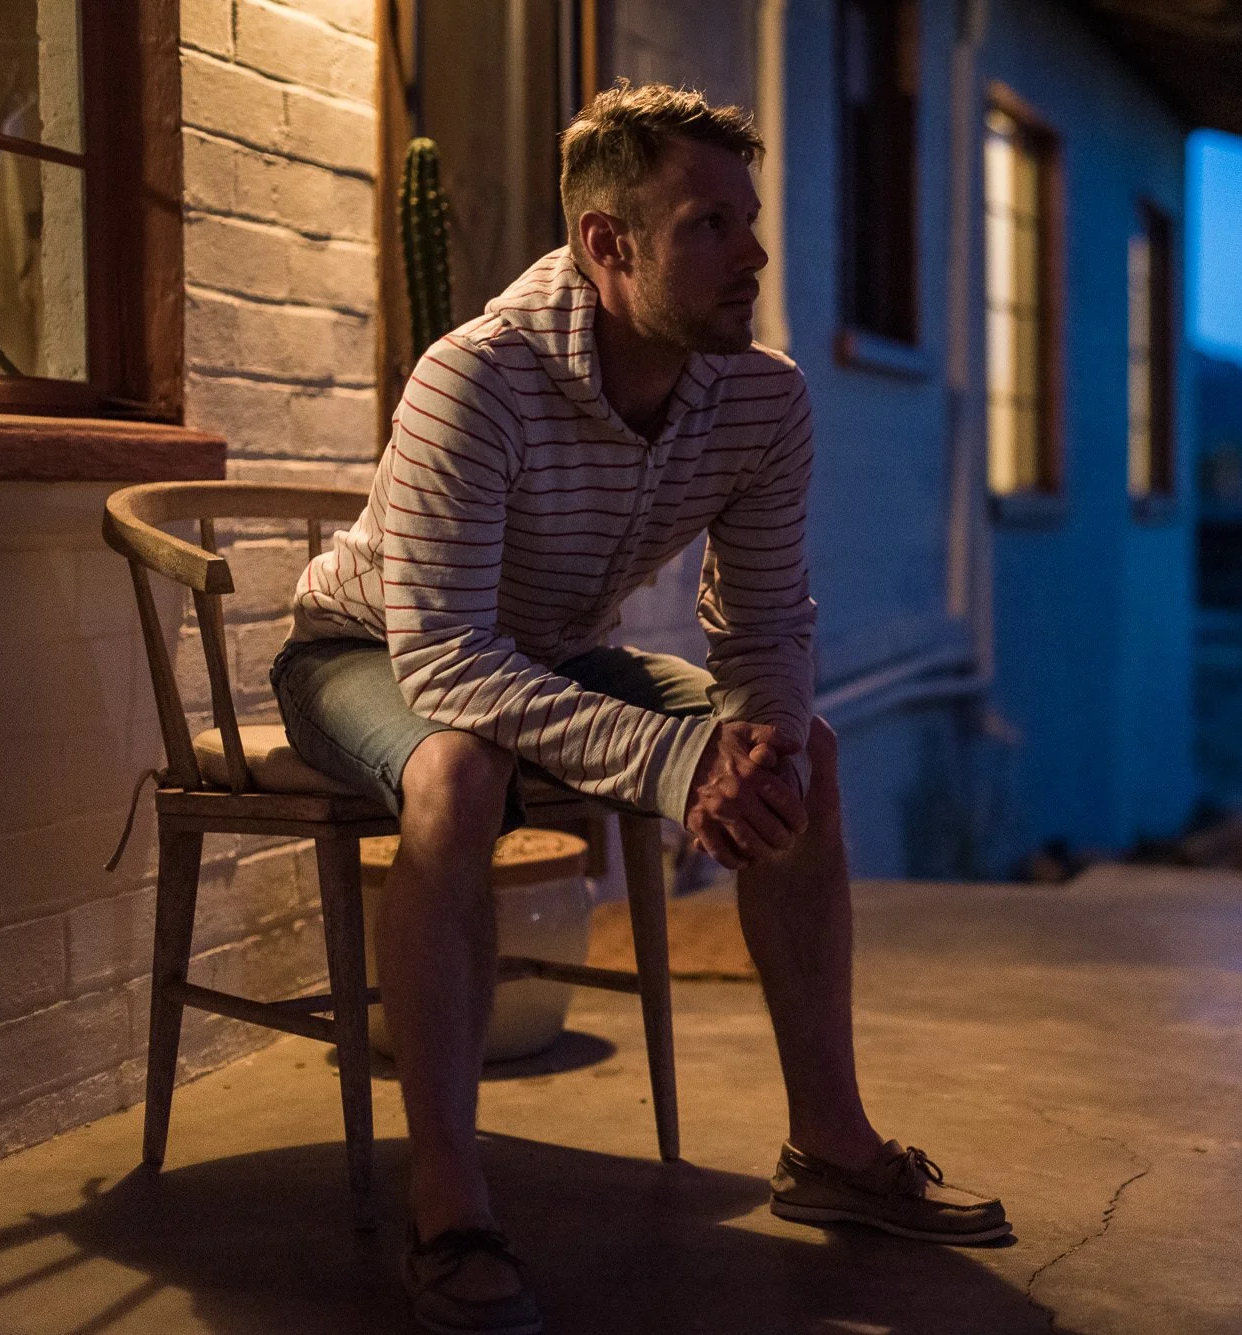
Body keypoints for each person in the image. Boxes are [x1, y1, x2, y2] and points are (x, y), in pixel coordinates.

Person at [274, 80, 1008, 1335]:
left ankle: (829, 1148)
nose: (754, 254)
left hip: (553, 650)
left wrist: (759, 733)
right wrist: (678, 767)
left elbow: (764, 619)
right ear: (606, 246)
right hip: (370, 650)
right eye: (707, 226)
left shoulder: (759, 395)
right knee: (456, 771)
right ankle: (449, 1202)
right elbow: (446, 661)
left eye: (750, 219)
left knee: (806, 751)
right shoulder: (477, 379)